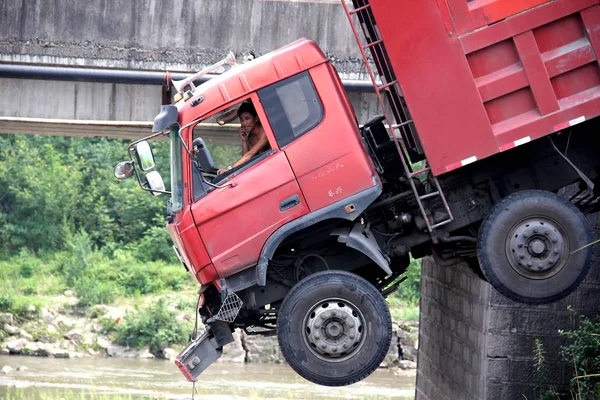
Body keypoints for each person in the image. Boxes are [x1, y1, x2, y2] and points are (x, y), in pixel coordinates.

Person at [217, 102, 269, 175]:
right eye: (241, 120)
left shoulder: (265, 131)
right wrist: (244, 141)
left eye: (247, 119)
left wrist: (229, 169)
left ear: (256, 118)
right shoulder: (251, 138)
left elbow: (250, 154)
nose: (244, 123)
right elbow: (247, 161)